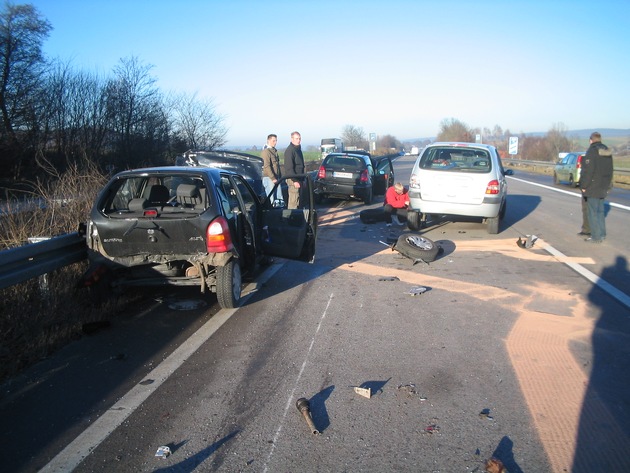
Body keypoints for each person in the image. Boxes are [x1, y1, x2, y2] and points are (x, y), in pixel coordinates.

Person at [580, 132, 614, 243]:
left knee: (592, 212)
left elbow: (588, 171)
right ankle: (602, 234)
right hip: (603, 185)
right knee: (600, 212)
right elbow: (610, 170)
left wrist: (584, 186)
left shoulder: (592, 151)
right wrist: (608, 185)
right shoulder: (606, 151)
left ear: (591, 140)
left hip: (593, 187)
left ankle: (595, 237)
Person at [284, 131, 304, 209]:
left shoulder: (298, 150)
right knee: (293, 201)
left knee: (298, 200)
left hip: (299, 178)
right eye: (296, 138)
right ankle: (291, 218)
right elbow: (289, 168)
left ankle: (297, 217)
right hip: (293, 179)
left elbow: (301, 166)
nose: (298, 140)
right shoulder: (290, 151)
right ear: (292, 139)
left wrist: (302, 179)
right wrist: (295, 180)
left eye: (299, 138)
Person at [261, 134, 282, 204]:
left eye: (276, 141)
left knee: (279, 199)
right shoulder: (266, 152)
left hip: (276, 177)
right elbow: (266, 166)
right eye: (273, 141)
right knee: (271, 199)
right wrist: (273, 178)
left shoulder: (274, 151)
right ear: (268, 140)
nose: (275, 142)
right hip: (269, 178)